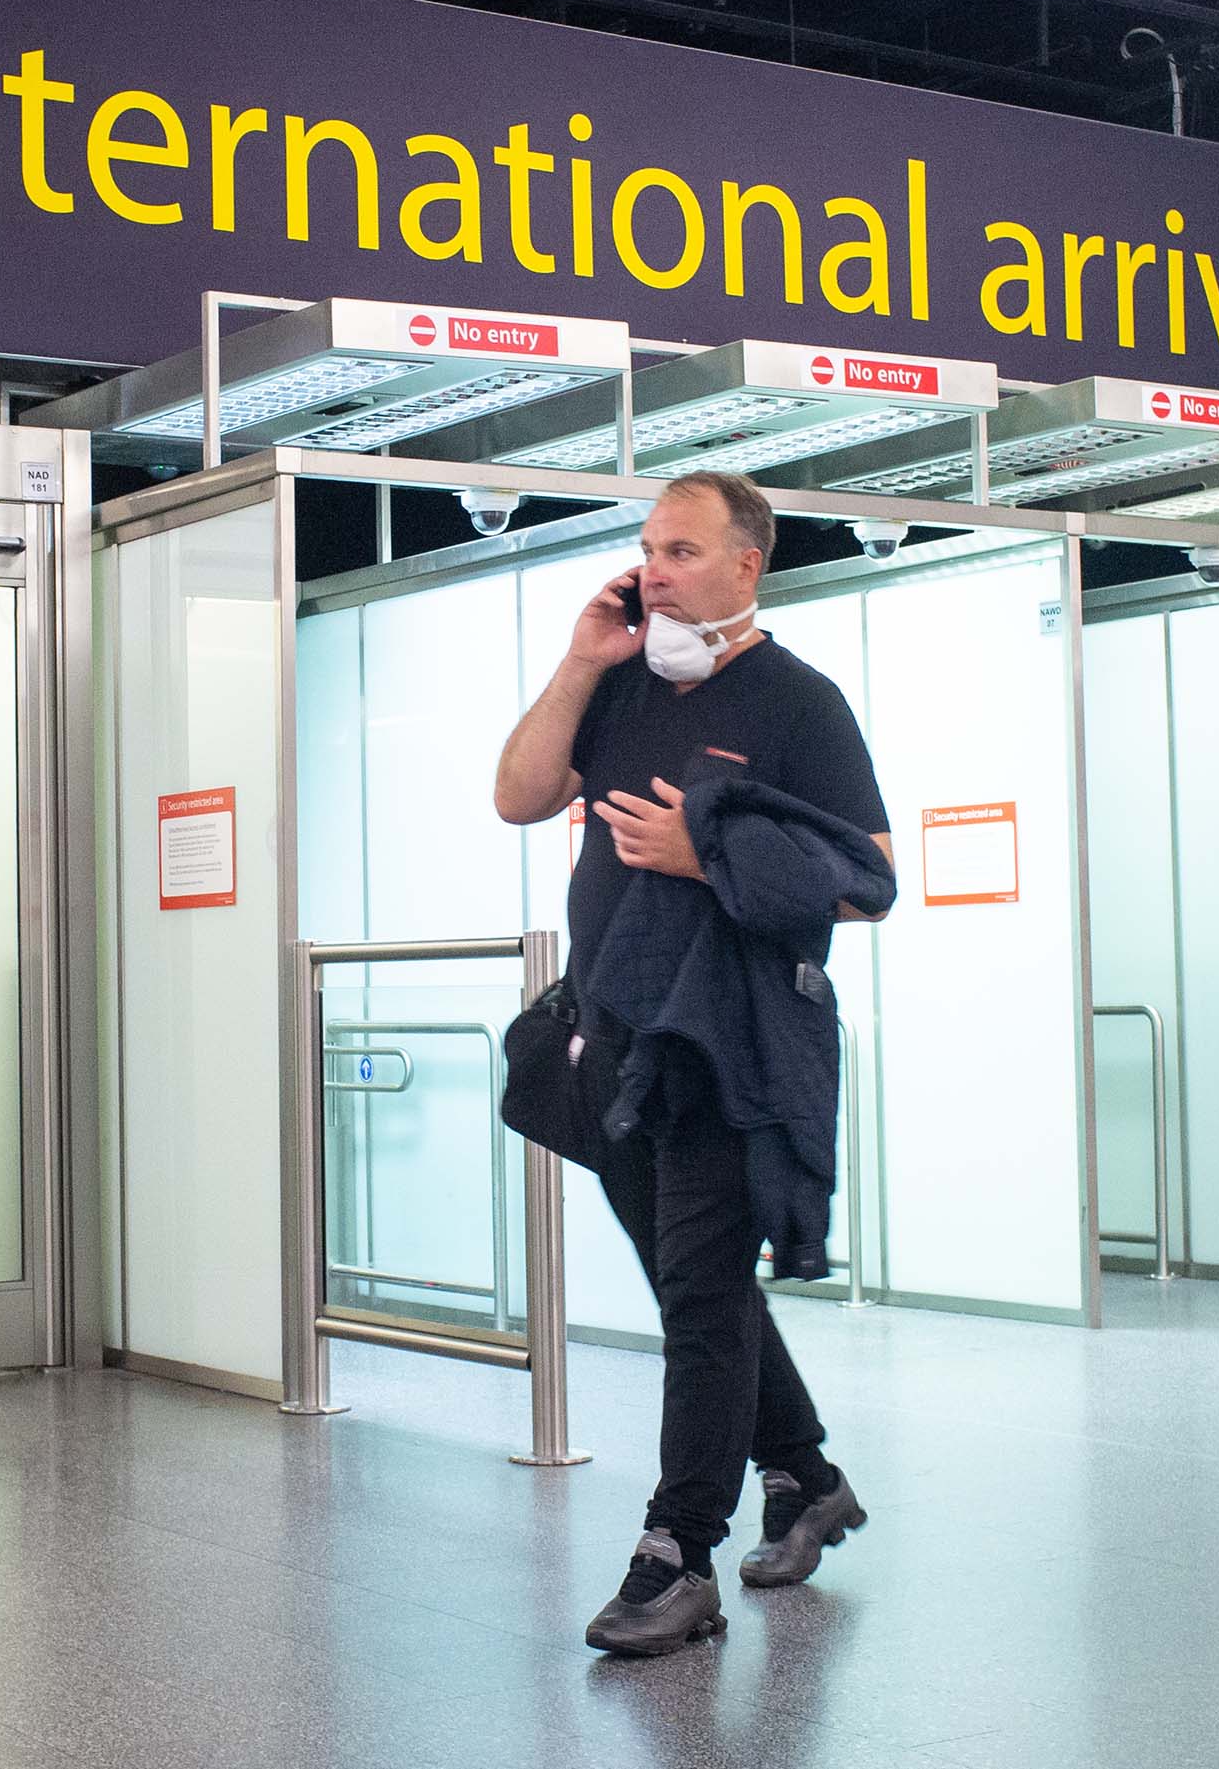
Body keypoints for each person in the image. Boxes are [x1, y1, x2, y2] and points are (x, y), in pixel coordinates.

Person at [493, 470, 896, 1657]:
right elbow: (518, 794)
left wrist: (703, 854)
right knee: (695, 1285)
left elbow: (867, 876)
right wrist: (579, 661)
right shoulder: (618, 689)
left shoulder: (800, 703)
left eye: (679, 549)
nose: (654, 569)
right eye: (647, 549)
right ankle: (807, 1475)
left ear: (744, 565)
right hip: (616, 1044)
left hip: (727, 1046)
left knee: (703, 1296)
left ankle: (679, 1554)